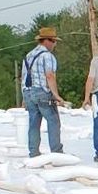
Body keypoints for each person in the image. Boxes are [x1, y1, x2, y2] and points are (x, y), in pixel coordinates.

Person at [20, 26, 67, 157]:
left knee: (34, 123)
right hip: (42, 92)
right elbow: (50, 76)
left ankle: (34, 152)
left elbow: (23, 77)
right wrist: (56, 95)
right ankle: (56, 152)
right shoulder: (47, 56)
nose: (55, 44)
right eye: (53, 41)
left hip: (28, 92)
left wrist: (24, 97)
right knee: (53, 121)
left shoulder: (28, 56)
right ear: (47, 41)